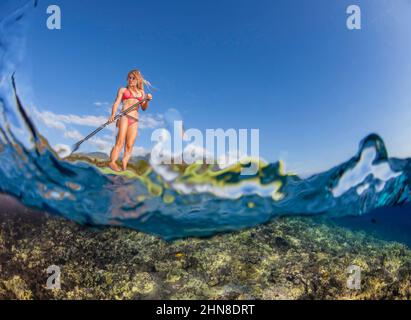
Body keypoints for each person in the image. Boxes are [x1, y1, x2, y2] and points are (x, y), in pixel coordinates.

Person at [108, 69, 152, 171]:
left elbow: (144, 108)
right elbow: (116, 103)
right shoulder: (123, 90)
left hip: (135, 120)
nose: (130, 80)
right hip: (124, 116)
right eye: (129, 78)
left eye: (133, 78)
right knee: (120, 142)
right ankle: (112, 162)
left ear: (137, 80)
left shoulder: (141, 93)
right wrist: (113, 115)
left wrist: (147, 100)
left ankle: (124, 164)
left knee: (129, 145)